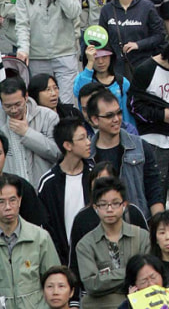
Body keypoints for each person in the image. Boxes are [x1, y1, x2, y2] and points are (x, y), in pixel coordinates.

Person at [128, 33, 169, 222]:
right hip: (154, 142)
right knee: (157, 196)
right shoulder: (146, 70)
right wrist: (161, 115)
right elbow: (134, 105)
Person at [15, 0, 80, 103]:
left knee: (67, 103)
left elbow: (74, 12)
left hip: (65, 54)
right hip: (38, 57)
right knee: (42, 103)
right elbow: (22, 23)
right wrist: (23, 49)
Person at [75, 176, 150, 309]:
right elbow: (92, 284)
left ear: (124, 205)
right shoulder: (85, 244)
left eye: (115, 203)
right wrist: (131, 273)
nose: (109, 209)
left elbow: (148, 276)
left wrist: (108, 278)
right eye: (103, 204)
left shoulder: (142, 236)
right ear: (95, 208)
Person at [88, 89, 164, 219]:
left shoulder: (140, 146)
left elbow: (154, 189)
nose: (116, 119)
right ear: (95, 120)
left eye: (119, 113)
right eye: (109, 115)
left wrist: (158, 224)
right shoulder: (87, 154)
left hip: (138, 225)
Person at [0, 173, 60, 309]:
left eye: (12, 200)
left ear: (20, 201)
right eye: (1, 201)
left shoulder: (40, 237)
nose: (7, 207)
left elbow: (55, 281)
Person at [37, 118, 93, 263]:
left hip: (95, 256)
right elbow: (46, 225)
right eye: (82, 138)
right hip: (63, 259)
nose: (88, 142)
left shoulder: (94, 176)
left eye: (87, 137)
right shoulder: (48, 183)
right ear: (68, 145)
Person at [98, 0, 166, 78]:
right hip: (117, 70)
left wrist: (138, 45)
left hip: (144, 66)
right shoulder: (107, 10)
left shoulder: (146, 6)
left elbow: (159, 35)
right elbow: (102, 40)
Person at [0, 75, 59, 188]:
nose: (13, 110)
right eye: (7, 106)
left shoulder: (48, 116)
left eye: (18, 104)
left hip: (42, 189)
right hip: (10, 192)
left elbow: (57, 153)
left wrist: (27, 133)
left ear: (26, 97)